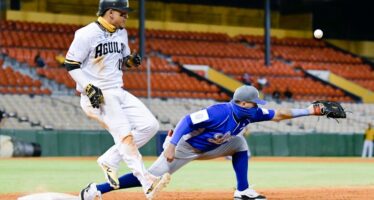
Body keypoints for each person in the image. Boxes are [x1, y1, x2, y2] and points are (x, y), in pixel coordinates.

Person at [80, 85, 327, 200]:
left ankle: (242, 191)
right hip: (186, 147)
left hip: (214, 146)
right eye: (253, 103)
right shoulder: (219, 111)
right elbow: (187, 120)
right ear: (242, 103)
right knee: (147, 178)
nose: (257, 106)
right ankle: (95, 190)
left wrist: (309, 110)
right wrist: (172, 145)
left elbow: (279, 114)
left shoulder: (250, 113)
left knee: (240, 144)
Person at [64, 0, 170, 199]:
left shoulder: (122, 32)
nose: (126, 17)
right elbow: (71, 64)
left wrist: (130, 61)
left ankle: (109, 159)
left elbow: (123, 59)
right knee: (125, 136)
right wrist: (88, 87)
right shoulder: (85, 34)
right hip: (97, 95)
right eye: (123, 13)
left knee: (150, 126)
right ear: (110, 12)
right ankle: (146, 181)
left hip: (118, 90)